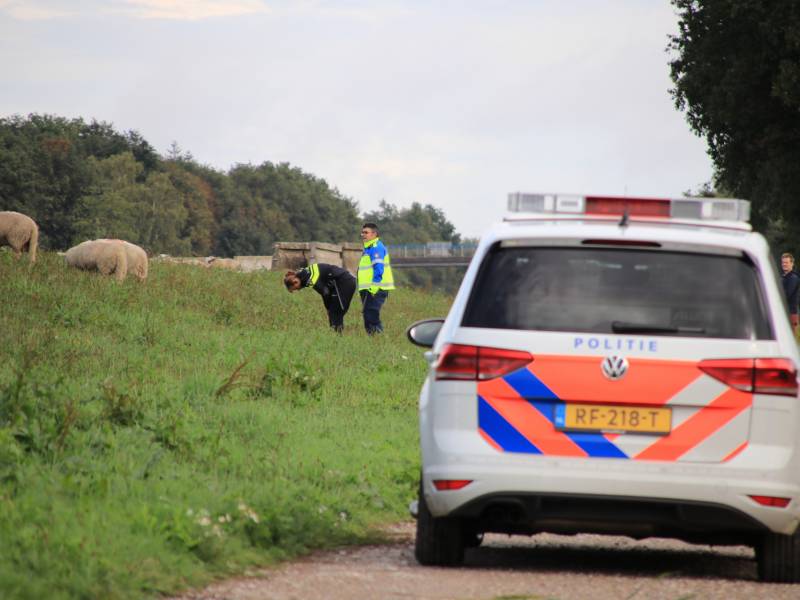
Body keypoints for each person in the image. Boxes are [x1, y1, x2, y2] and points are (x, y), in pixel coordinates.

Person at [284, 263, 356, 333]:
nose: (298, 290)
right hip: (341, 282)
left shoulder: (308, 278)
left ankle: (337, 337)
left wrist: (327, 307)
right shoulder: (303, 274)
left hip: (344, 282)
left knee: (335, 312)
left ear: (295, 282)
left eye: (296, 288)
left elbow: (325, 292)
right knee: (334, 312)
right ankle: (335, 335)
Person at [358, 222, 395, 334]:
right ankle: (373, 340)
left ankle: (378, 338)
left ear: (374, 234)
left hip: (376, 289)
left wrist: (373, 289)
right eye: (362, 232)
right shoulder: (368, 248)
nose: (363, 235)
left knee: (371, 315)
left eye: (366, 232)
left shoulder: (376, 247)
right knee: (368, 316)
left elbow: (379, 269)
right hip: (367, 289)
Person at [781, 252, 800, 334]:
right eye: (783, 262)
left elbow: (786, 295)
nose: (784, 264)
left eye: (786, 262)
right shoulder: (782, 277)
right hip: (784, 313)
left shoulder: (793, 278)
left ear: (792, 263)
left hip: (791, 314)